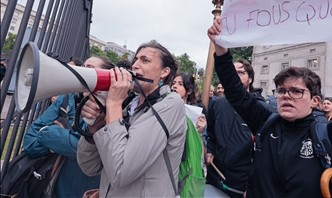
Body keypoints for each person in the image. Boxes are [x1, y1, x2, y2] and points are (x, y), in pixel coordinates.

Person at [207, 0, 332, 197]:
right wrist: (221, 49)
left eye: (296, 91)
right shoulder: (266, 123)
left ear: (316, 100)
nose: (286, 96)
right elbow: (235, 92)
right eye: (281, 90)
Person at [77, 42, 187, 197]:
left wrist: (113, 104)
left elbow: (119, 173)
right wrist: (95, 129)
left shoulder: (170, 104)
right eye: (135, 60)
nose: (134, 65)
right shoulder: (128, 106)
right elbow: (89, 167)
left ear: (164, 72)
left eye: (145, 60)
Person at [22, 56, 113, 198]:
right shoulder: (67, 98)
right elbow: (29, 140)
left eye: (90, 68)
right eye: (84, 65)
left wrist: (49, 134)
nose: (83, 70)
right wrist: (59, 143)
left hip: (81, 188)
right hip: (51, 184)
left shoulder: (112, 108)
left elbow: (85, 151)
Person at [206, 58, 273, 198]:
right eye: (232, 72)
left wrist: (253, 185)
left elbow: (266, 154)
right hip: (213, 175)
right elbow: (211, 130)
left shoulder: (262, 110)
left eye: (241, 72)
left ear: (250, 79)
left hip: (241, 184)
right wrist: (210, 150)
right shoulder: (217, 104)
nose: (235, 76)